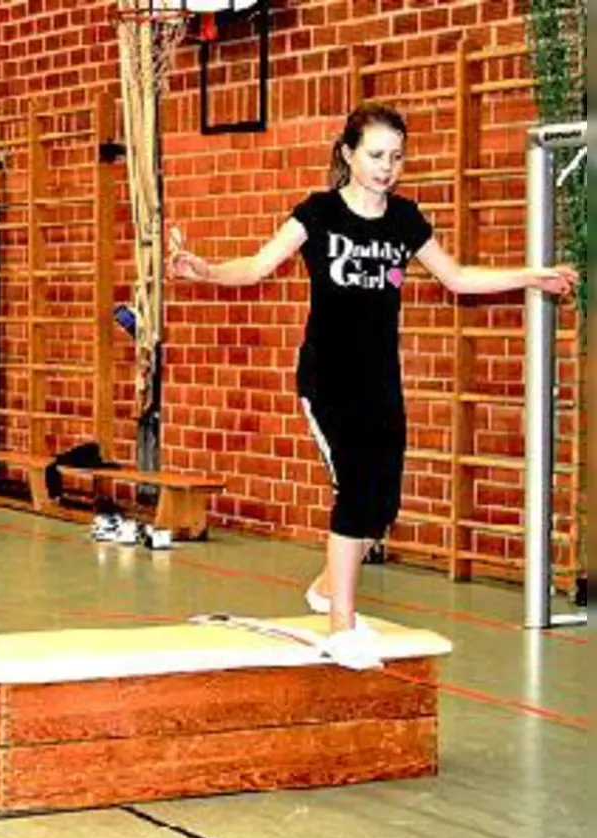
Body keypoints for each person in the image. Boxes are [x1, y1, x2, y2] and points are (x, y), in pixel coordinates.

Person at [169, 101, 579, 667]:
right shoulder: (318, 214)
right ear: (348, 154)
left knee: (383, 502)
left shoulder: (404, 221)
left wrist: (531, 275)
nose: (388, 167)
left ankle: (325, 587)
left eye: (397, 157)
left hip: (380, 379)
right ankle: (341, 626)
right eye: (377, 155)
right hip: (328, 378)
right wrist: (207, 270)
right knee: (357, 490)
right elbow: (258, 267)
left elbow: (456, 277)